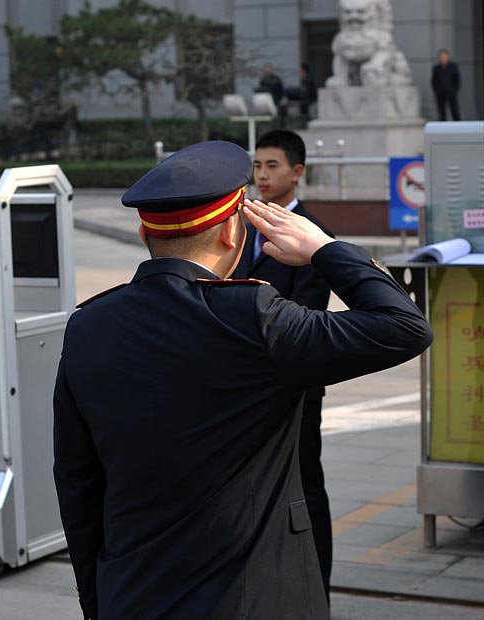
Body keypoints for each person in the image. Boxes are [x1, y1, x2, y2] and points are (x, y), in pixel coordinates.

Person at [53, 140, 432, 620]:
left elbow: (76, 482)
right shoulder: (255, 318)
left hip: (134, 594)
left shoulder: (89, 325)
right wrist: (325, 249)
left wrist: (100, 602)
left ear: (144, 231)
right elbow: (404, 327)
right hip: (256, 598)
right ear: (233, 232)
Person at [232, 129, 335, 598]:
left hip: (293, 386)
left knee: (305, 485)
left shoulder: (313, 236)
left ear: (297, 172)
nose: (262, 175)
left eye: (272, 166)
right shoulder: (241, 228)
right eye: (257, 166)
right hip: (244, 387)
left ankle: (319, 585)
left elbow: (307, 316)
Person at [431, 48, 461, 121]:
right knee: (442, 112)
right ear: (439, 58)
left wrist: (454, 91)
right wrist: (437, 91)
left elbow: (457, 80)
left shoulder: (453, 67)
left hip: (451, 92)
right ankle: (443, 126)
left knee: (454, 110)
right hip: (440, 94)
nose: (443, 58)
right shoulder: (436, 68)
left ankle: (458, 125)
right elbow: (434, 81)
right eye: (441, 57)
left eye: (444, 56)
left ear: (447, 57)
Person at [257, 63, 287, 127]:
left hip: (276, 100)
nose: (268, 71)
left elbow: (281, 90)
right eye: (267, 69)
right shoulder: (263, 80)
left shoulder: (276, 79)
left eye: (269, 69)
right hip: (265, 102)